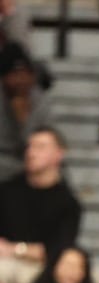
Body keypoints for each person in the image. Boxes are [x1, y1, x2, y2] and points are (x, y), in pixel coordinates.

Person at [0, 126, 82, 283]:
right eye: (29, 147)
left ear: (58, 154)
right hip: (7, 264)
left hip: (48, 267)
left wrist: (16, 248)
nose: (31, 152)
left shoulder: (68, 202)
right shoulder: (6, 191)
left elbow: (60, 249)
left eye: (40, 147)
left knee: (92, 278)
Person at [0, 43, 54, 180]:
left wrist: (22, 118)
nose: (20, 80)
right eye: (15, 74)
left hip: (29, 159)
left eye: (24, 74)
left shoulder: (39, 99)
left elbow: (39, 139)